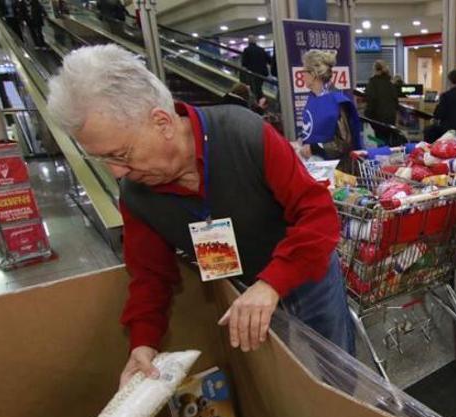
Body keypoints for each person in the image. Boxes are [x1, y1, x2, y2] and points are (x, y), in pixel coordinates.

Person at [46, 44, 355, 387]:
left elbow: (318, 215)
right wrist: (143, 342)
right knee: (278, 385)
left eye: (121, 154)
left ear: (161, 122)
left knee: (337, 375)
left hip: (307, 271)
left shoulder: (242, 132)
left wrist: (272, 283)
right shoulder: (137, 196)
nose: (118, 172)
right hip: (239, 290)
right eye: (104, 160)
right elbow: (149, 276)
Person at [297, 50, 362, 174]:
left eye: (304, 71)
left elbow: (344, 144)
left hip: (338, 172)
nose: (302, 75)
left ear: (313, 73)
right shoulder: (313, 97)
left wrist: (314, 148)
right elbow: (311, 129)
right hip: (316, 166)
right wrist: (300, 141)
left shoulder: (336, 102)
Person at [364, 60, 399, 145]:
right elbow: (395, 101)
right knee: (389, 140)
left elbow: (371, 101)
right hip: (391, 117)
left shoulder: (372, 83)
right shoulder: (390, 83)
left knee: (380, 140)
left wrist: (367, 115)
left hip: (378, 118)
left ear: (375, 70)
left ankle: (382, 154)